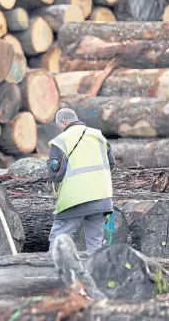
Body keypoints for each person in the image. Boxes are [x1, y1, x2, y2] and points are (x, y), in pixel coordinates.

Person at [46, 108, 116, 253]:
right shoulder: (98, 136)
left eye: (59, 126)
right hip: (102, 197)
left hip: (74, 199)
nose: (60, 129)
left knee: (58, 240)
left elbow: (56, 174)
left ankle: (53, 272)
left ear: (63, 122)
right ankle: (94, 273)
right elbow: (111, 165)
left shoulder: (60, 141)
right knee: (95, 246)